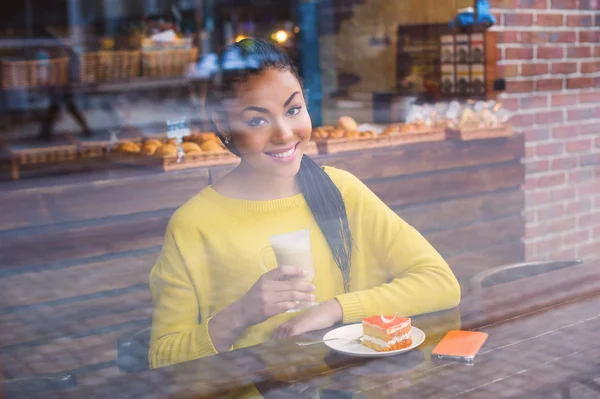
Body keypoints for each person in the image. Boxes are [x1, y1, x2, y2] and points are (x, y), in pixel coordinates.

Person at [149, 38, 460, 369]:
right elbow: (162, 359)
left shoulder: (340, 189)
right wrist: (240, 314)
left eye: (293, 110)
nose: (284, 133)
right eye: (257, 120)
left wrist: (333, 309)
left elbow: (440, 283)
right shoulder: (194, 224)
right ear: (223, 125)